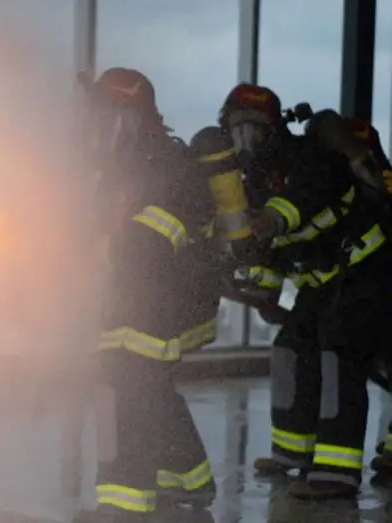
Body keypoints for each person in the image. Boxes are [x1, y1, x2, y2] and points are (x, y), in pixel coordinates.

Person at [215, 83, 392, 499]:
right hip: (324, 284)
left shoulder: (310, 157)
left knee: (339, 353)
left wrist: (267, 221)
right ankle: (293, 453)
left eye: (254, 129)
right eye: (237, 131)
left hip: (369, 271)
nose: (246, 141)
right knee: (291, 350)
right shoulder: (255, 182)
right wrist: (260, 285)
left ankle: (336, 474)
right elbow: (271, 250)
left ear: (275, 128)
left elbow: (299, 202)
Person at [82, 67, 221, 522]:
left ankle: (122, 502)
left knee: (125, 385)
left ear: (135, 117)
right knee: (147, 387)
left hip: (168, 301)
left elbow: (149, 245)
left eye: (109, 118)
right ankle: (189, 480)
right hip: (137, 300)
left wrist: (97, 248)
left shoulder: (169, 166)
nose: (99, 129)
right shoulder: (119, 171)